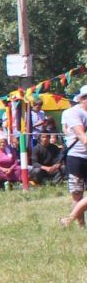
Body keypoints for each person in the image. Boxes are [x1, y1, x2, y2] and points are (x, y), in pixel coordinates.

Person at [65, 88, 87, 226]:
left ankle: (69, 219)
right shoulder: (72, 113)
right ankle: (81, 227)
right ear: (82, 98)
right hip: (76, 156)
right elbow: (81, 135)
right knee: (77, 193)